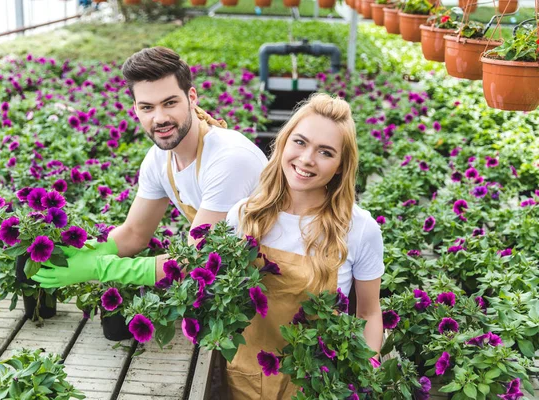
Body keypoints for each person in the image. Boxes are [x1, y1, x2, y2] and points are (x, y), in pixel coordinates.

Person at [32, 47, 268, 288]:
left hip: (271, 284)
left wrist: (101, 267)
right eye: (147, 107)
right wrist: (88, 250)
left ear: (192, 98)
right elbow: (134, 233)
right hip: (236, 279)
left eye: (170, 103)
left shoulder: (229, 159)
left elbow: (197, 258)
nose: (160, 118)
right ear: (135, 109)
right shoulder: (159, 159)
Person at [224, 93, 384, 399]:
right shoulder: (244, 215)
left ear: (340, 166)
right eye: (300, 142)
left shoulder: (359, 229)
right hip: (245, 377)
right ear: (283, 143)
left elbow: (368, 313)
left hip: (319, 384)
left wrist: (367, 369)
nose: (307, 158)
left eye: (325, 152)